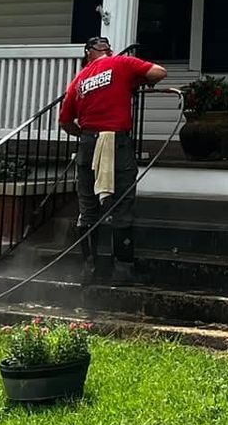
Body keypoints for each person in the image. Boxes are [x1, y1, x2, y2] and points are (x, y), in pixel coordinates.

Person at [59, 36, 166, 276]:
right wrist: (137, 82)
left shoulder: (78, 80)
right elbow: (159, 72)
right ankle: (123, 270)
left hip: (88, 144)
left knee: (87, 208)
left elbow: (65, 122)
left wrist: (85, 134)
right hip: (117, 143)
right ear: (108, 50)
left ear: (88, 54)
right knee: (123, 204)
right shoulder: (121, 63)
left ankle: (89, 269)